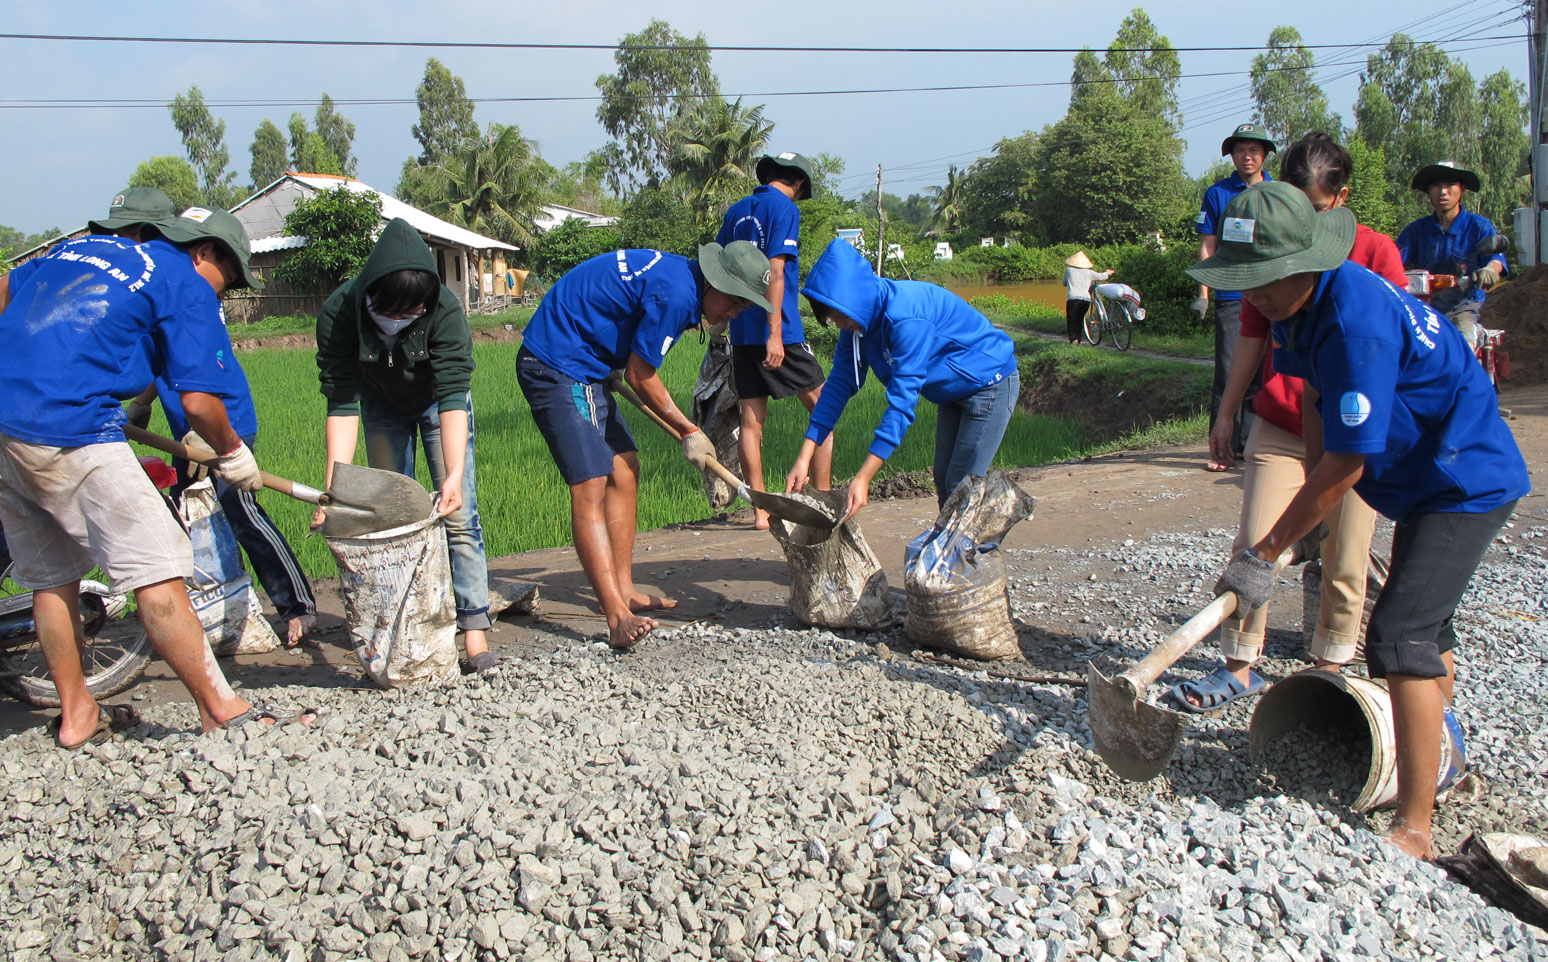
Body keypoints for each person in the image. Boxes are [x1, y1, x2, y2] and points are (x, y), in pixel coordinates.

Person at [1188, 181, 1529, 860]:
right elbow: (1317, 398)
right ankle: (1441, 757)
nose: (1251, 295)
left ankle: (1416, 826)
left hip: (1463, 477)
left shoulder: (1354, 319)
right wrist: (1313, 510)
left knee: (1399, 635)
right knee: (1426, 624)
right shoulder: (1296, 308)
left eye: (1262, 280)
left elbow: (1347, 464)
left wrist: (1266, 551)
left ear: (1306, 262)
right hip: (1423, 472)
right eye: (1241, 281)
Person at [0, 206, 316, 746]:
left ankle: (78, 715)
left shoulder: (79, 249)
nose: (222, 294)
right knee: (159, 566)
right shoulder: (182, 280)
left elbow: (6, 289)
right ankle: (220, 707)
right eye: (229, 279)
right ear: (204, 253)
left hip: (6, 425)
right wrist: (233, 451)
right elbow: (197, 401)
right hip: (74, 423)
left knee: (52, 576)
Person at [1169, 133, 1405, 711]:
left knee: (1346, 556)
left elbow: (1382, 357)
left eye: (1313, 210)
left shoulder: (1373, 256)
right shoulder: (1266, 254)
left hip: (1353, 433)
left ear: (1338, 201)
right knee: (1255, 545)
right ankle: (1239, 666)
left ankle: (1328, 673)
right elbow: (1253, 336)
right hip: (1283, 420)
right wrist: (1227, 410)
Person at [517, 242, 773, 650]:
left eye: (744, 307)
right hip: (556, 365)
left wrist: (611, 363)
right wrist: (689, 430)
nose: (735, 313)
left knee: (625, 469)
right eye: (736, 302)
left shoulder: (681, 279)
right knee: (592, 482)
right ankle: (617, 616)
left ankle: (625, 589)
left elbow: (622, 328)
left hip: (590, 366)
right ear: (715, 282)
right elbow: (641, 375)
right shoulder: (676, 293)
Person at [93, 192, 319, 649]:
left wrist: (215, 438)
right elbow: (161, 357)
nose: (224, 289)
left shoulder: (195, 296)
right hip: (185, 433)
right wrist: (142, 404)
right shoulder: (159, 286)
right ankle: (214, 608)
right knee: (187, 519)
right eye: (230, 279)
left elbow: (200, 383)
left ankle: (298, 604)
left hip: (224, 424)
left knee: (242, 512)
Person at [315, 218, 494, 672]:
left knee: (459, 516)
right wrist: (338, 489)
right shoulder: (339, 313)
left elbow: (454, 394)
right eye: (392, 310)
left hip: (438, 406)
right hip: (381, 408)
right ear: (371, 294)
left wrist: (453, 475)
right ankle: (402, 629)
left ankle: (473, 630)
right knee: (390, 522)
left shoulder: (445, 310)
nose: (400, 320)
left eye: (413, 313)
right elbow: (341, 402)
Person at [785, 238, 1020, 519]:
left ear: (855, 301)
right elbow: (838, 385)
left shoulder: (905, 319)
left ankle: (972, 555)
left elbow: (901, 405)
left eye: (840, 318)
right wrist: (804, 456)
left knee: (961, 486)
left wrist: (863, 478)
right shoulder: (857, 323)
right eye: (834, 320)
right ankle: (957, 555)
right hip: (952, 393)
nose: (839, 326)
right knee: (946, 482)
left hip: (989, 384)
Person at [716, 152, 834, 528]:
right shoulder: (784, 208)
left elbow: (719, 266)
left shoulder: (736, 211)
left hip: (740, 329)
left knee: (752, 423)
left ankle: (760, 512)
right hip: (777, 330)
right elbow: (776, 272)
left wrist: (717, 326)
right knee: (824, 412)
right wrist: (776, 334)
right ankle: (821, 501)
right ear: (799, 184)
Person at [1195, 122, 1276, 471]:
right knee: (1229, 371)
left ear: (1264, 155)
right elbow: (1207, 244)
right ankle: (1222, 449)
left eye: (1254, 150)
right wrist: (1204, 291)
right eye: (1241, 150)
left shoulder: (1278, 192)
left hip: (1272, 292)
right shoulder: (1217, 193)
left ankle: (1251, 446)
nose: (1248, 156)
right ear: (1232, 154)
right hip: (1231, 293)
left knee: (1265, 373)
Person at [1396, 160, 1507, 349]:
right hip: (1422, 306)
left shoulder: (1478, 226)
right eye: (1437, 186)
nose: (1443, 192)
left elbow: (1496, 260)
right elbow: (1395, 259)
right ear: (1429, 192)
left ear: (1461, 189)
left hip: (1462, 305)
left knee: (1465, 349)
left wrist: (1489, 271)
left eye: (1449, 185)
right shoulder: (1416, 230)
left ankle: (1469, 372)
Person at [1062, 250, 1112, 344]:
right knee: (1080, 319)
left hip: (1073, 298)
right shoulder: (1089, 272)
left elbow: (1064, 283)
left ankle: (1074, 339)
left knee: (1072, 319)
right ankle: (1078, 339)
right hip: (1086, 300)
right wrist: (1107, 272)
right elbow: (1102, 277)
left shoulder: (1069, 270)